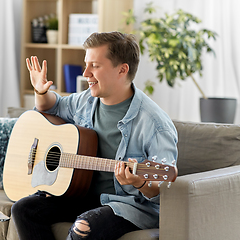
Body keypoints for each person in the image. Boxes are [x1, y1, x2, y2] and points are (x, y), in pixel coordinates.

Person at [11, 31, 178, 240]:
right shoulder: (85, 101)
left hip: (126, 206)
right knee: (24, 209)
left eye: (95, 66)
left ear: (122, 70)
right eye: (86, 64)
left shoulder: (155, 124)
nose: (86, 73)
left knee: (84, 227)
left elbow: (162, 191)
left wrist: (139, 183)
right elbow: (52, 107)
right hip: (82, 195)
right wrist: (40, 91)